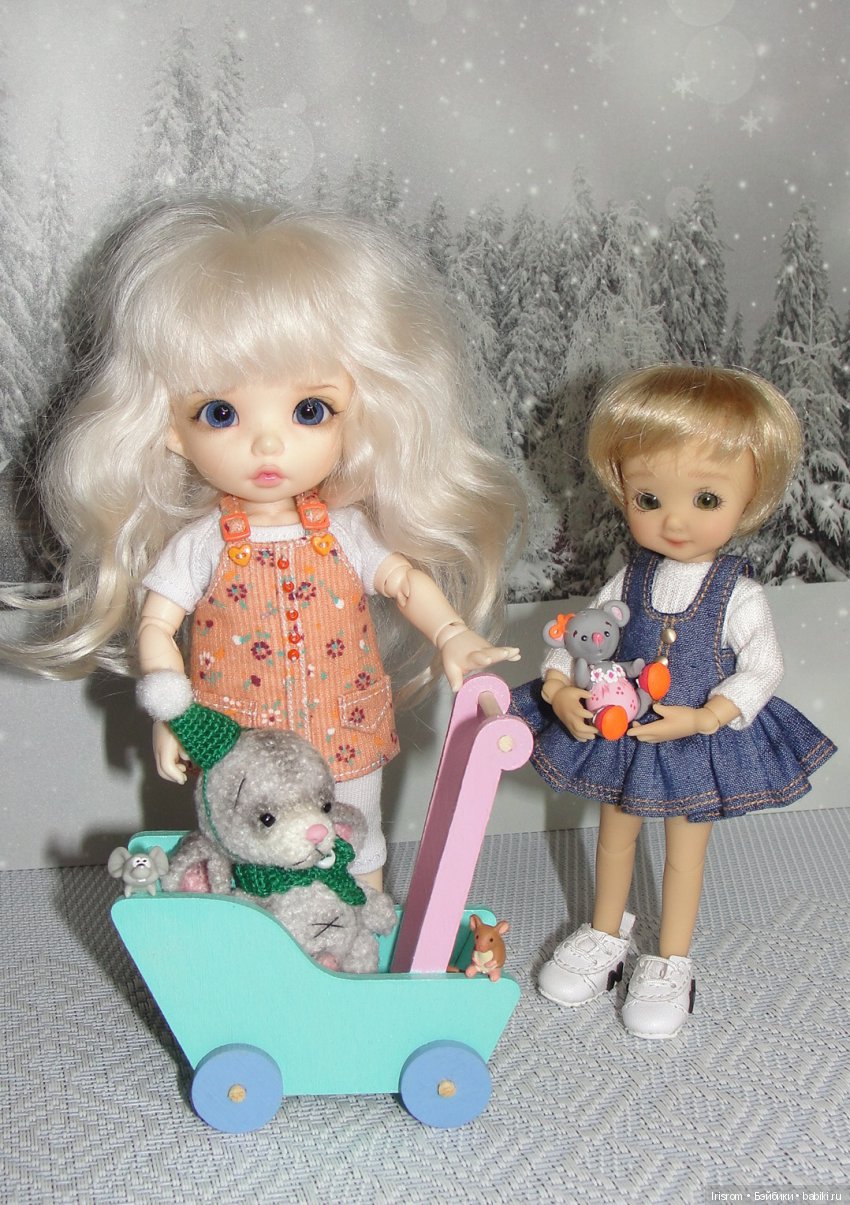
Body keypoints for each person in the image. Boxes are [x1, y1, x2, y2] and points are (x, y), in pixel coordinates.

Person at [9, 197, 525, 888]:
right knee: (249, 861)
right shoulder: (201, 546)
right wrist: (173, 713)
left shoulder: (346, 532)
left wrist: (453, 635)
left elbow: (404, 581)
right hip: (242, 745)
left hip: (343, 729)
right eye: (220, 413)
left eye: (310, 410)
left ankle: (367, 925)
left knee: (357, 842)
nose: (269, 443)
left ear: (360, 413)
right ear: (169, 429)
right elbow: (157, 625)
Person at [511, 364, 836, 1038]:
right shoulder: (630, 578)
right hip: (622, 737)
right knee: (614, 839)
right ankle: (606, 933)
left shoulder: (737, 593)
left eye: (707, 499)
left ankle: (669, 960)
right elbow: (581, 635)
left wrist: (708, 714)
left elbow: (763, 666)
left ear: (751, 498)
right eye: (649, 498)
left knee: (685, 854)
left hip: (690, 744)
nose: (675, 519)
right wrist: (559, 687)